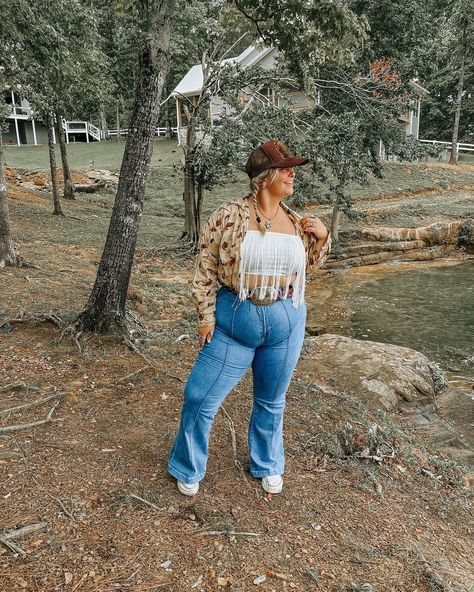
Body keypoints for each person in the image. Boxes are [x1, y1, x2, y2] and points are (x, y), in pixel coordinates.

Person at [168, 140, 331, 496]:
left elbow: (306, 270)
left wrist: (322, 238)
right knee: (199, 396)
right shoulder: (228, 216)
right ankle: (187, 464)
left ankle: (268, 463)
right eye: (285, 168)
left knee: (272, 400)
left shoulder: (296, 220)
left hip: (287, 319)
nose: (292, 174)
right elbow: (206, 267)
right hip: (235, 320)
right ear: (264, 177)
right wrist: (205, 316)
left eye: (292, 168)